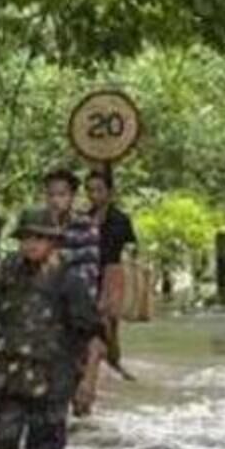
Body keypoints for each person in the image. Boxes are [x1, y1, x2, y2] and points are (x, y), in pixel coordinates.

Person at [0, 207, 101, 449]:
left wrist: (87, 383)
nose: (30, 244)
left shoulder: (69, 279)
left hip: (51, 382)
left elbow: (92, 335)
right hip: (7, 378)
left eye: (38, 238)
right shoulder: (5, 272)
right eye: (26, 238)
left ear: (52, 241)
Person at [41, 167, 102, 417]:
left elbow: (88, 267)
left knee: (77, 371)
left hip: (75, 306)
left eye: (62, 194)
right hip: (41, 306)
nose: (56, 200)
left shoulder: (84, 226)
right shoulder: (37, 223)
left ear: (72, 196)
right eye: (51, 194)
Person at [80, 167, 139, 410]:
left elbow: (131, 247)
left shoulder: (121, 220)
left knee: (110, 323)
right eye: (90, 190)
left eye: (99, 190)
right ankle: (96, 364)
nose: (94, 195)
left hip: (112, 276)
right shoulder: (84, 218)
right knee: (93, 322)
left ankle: (114, 362)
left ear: (110, 193)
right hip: (88, 275)